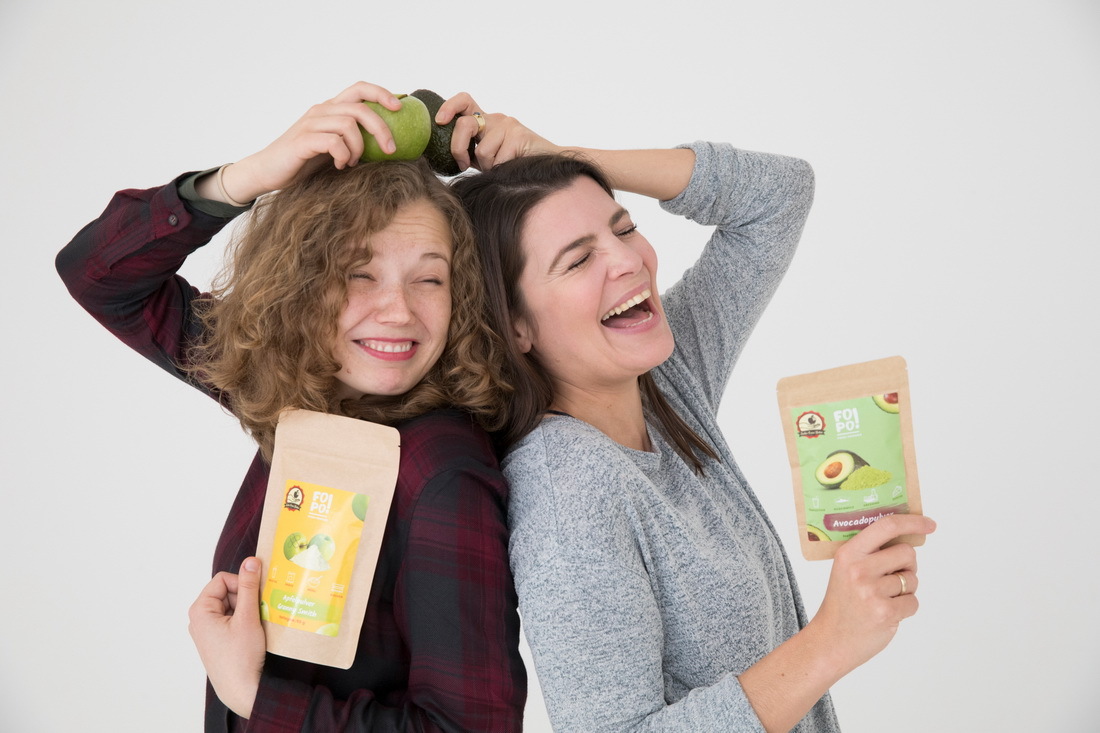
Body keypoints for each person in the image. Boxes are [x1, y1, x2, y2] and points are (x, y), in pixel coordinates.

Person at [56, 82, 526, 732]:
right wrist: (248, 175)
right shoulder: (300, 387)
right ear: (305, 283)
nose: (398, 309)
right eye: (359, 272)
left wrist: (254, 694)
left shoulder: (441, 472)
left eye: (430, 278)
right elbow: (98, 274)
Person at [451, 116, 937, 731]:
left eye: (623, 228)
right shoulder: (567, 488)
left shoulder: (665, 385)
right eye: (578, 261)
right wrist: (830, 642)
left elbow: (778, 197)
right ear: (513, 325)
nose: (627, 261)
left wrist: (560, 157)